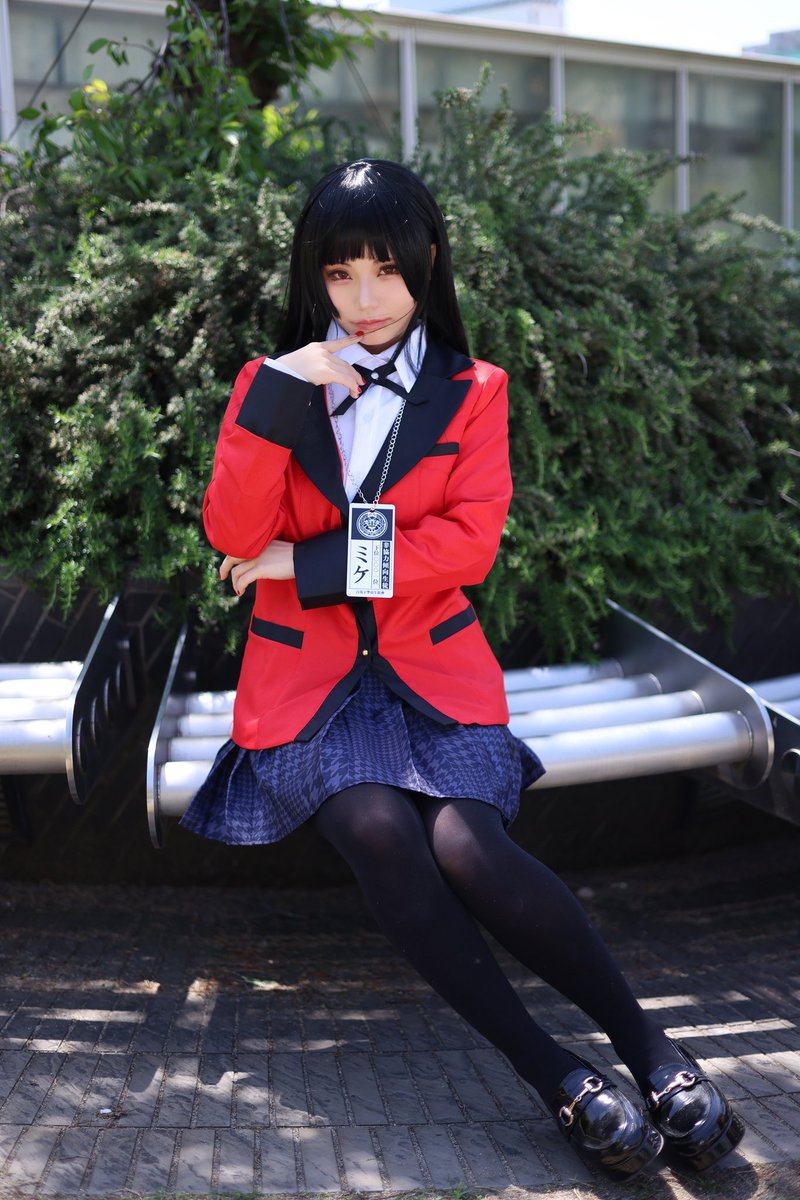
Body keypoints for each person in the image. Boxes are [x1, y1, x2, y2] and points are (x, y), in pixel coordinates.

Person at [181, 159, 744, 1180]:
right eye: (339, 273)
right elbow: (231, 533)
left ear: (427, 263)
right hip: (309, 687)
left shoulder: (473, 390)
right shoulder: (273, 383)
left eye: (384, 271)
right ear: (313, 276)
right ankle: (554, 1074)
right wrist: (277, 394)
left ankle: (651, 1051)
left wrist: (304, 564)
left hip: (432, 676)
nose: (362, 298)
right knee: (376, 830)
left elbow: (464, 548)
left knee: (468, 849)